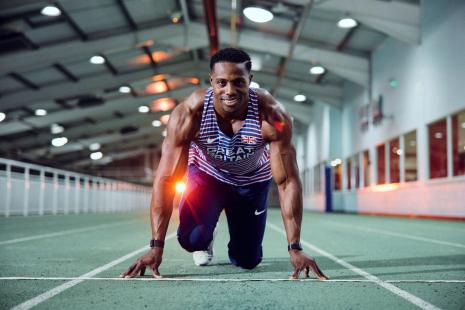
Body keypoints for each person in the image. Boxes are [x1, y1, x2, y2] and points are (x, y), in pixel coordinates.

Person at [122, 48, 328, 280]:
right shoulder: (190, 114)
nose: (229, 91)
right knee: (191, 240)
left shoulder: (272, 117)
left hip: (251, 182)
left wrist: (295, 247)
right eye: (221, 83)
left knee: (247, 260)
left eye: (238, 82)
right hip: (207, 177)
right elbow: (166, 179)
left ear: (250, 81)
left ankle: (238, 243)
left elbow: (288, 182)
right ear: (211, 81)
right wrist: (156, 246)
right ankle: (206, 237)